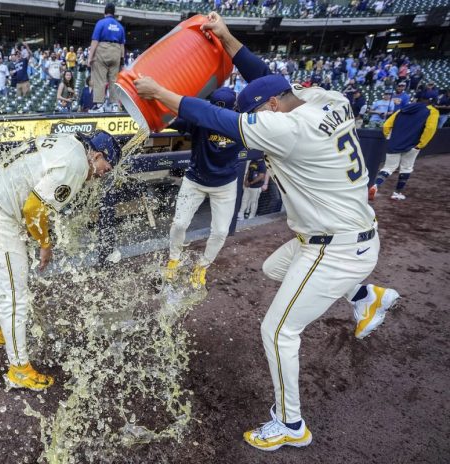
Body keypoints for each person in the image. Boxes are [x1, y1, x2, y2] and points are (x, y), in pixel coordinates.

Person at [134, 12, 399, 452]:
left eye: (256, 109)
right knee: (273, 267)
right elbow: (268, 78)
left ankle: (291, 423)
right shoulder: (323, 97)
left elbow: (219, 120)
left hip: (334, 248)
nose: (252, 116)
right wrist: (228, 38)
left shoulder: (288, 126)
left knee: (277, 332)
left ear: (272, 107)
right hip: (348, 234)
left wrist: (162, 92)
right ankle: (363, 296)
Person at [0, 130, 121, 390]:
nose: (107, 172)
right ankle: (19, 370)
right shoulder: (78, 165)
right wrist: (45, 244)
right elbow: (33, 208)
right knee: (15, 298)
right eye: (109, 165)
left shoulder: (68, 143)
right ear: (97, 155)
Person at [164, 88, 242, 289]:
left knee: (221, 231)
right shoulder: (199, 119)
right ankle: (174, 259)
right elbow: (168, 119)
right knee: (179, 224)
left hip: (225, 186)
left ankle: (202, 267)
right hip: (195, 181)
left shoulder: (242, 123)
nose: (219, 116)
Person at [369, 90, 439, 201]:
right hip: (412, 144)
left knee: (388, 167)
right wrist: (421, 144)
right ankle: (397, 193)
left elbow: (387, 125)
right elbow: (429, 129)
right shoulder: (432, 112)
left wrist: (389, 137)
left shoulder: (404, 108)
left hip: (395, 143)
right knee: (406, 168)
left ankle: (375, 186)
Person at [88, 3, 125, 111]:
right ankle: (114, 105)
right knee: (114, 80)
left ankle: (100, 105)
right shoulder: (120, 26)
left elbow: (95, 41)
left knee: (100, 79)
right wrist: (122, 60)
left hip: (102, 50)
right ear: (114, 13)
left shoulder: (101, 23)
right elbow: (122, 44)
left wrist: (90, 58)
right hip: (116, 51)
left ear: (105, 12)